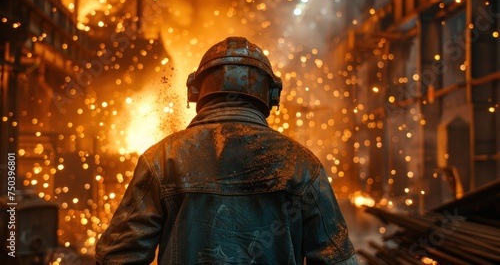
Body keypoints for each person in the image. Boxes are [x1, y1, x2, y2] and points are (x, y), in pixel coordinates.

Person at [95, 36, 358, 264]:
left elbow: (117, 257)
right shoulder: (301, 165)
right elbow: (335, 259)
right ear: (272, 95)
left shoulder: (162, 160)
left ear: (195, 91)